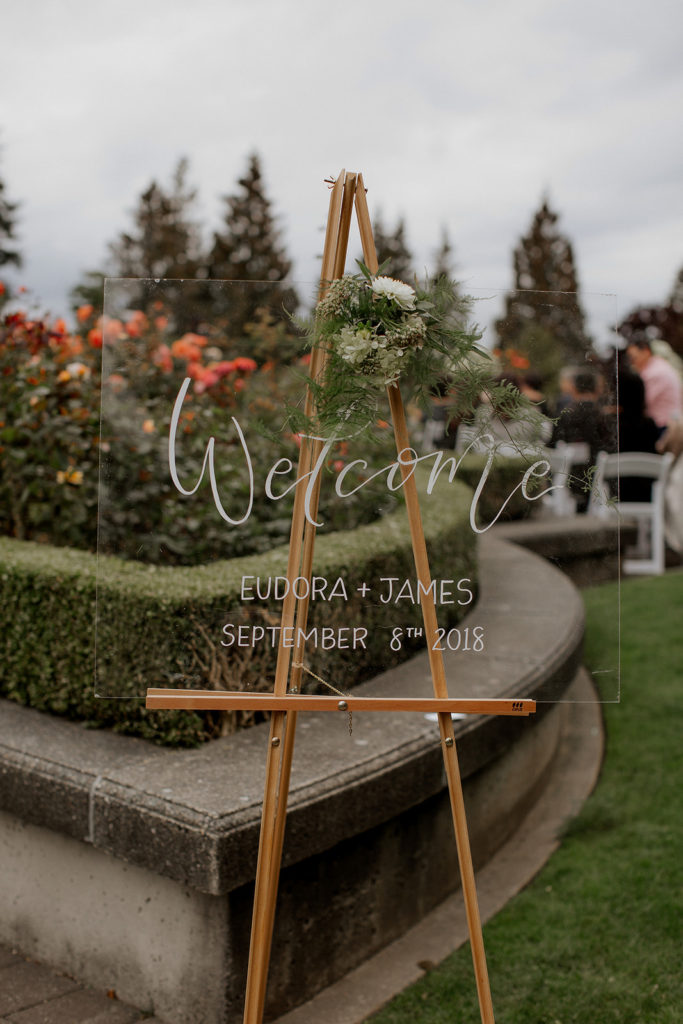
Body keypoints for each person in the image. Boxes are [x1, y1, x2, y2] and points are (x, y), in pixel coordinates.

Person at [626, 339, 683, 437]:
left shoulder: (653, 373)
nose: (632, 362)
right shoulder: (659, 366)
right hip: (669, 424)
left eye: (634, 357)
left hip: (663, 427)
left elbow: (640, 402)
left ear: (646, 352)